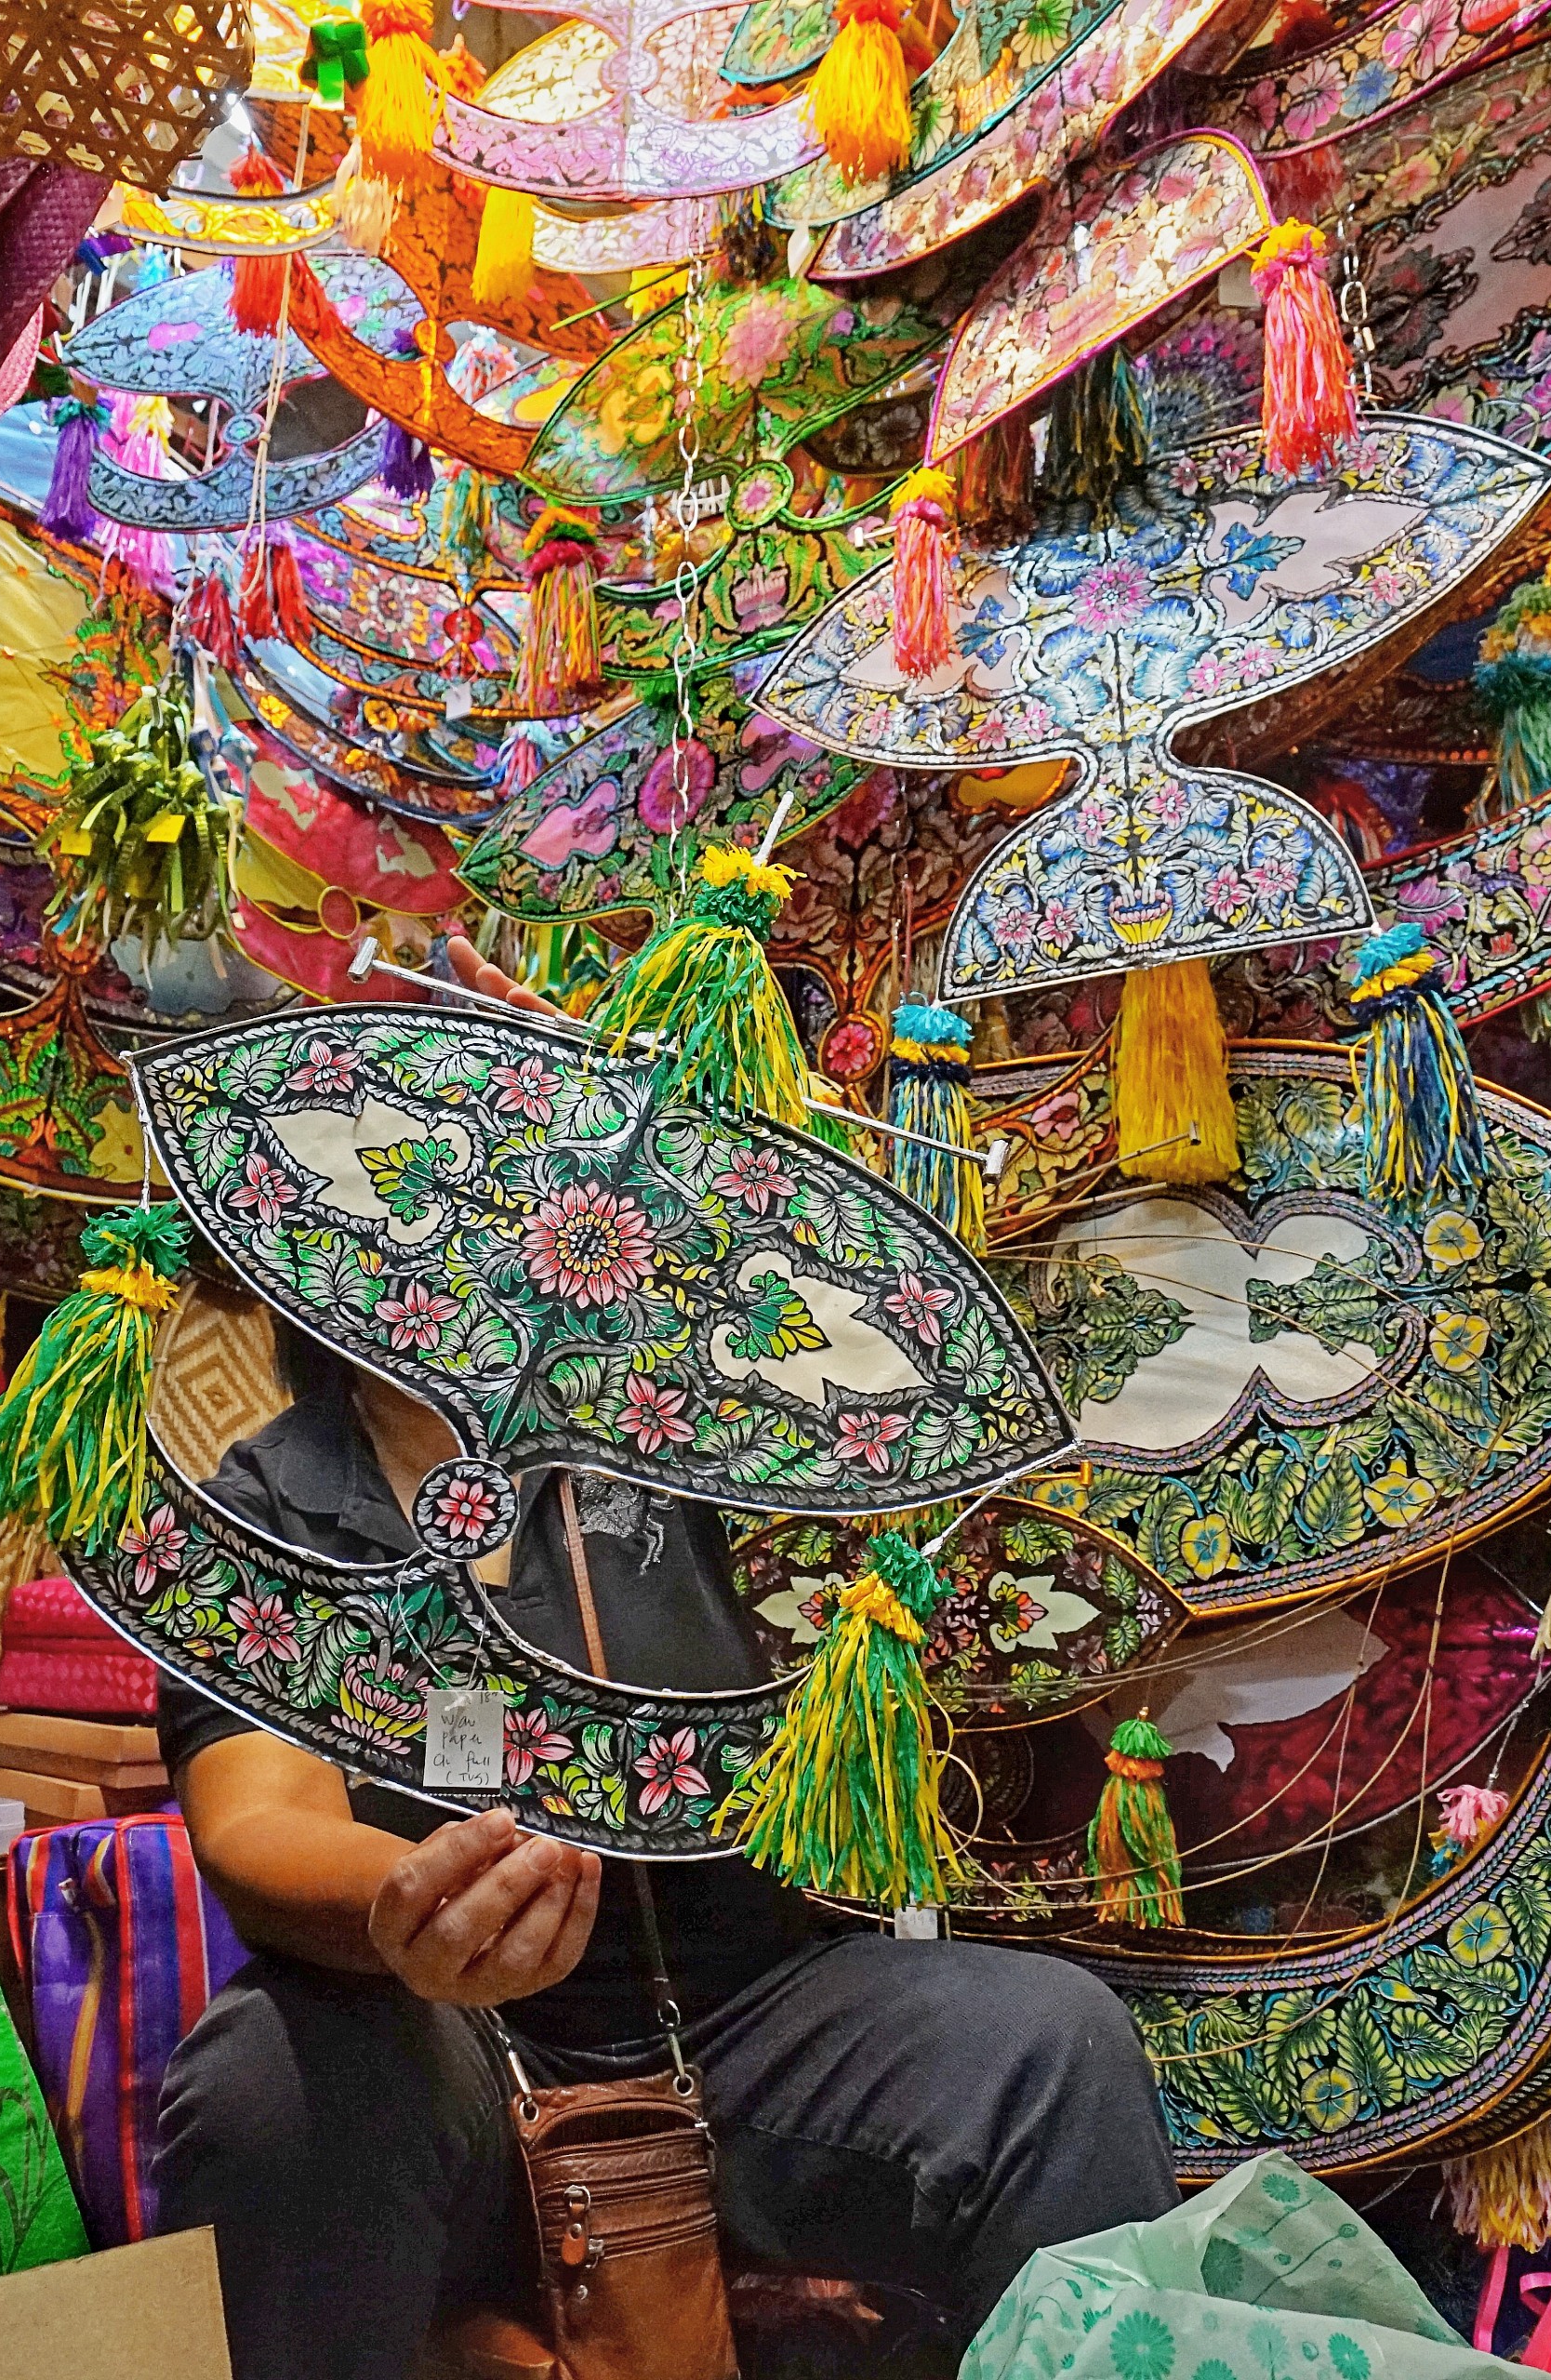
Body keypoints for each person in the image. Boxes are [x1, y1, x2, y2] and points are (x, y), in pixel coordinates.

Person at [152, 942, 1178, 2380]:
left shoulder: (669, 1424)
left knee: (1048, 2048)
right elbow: (255, 1820)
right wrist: (408, 1904)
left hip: (741, 2015)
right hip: (442, 2042)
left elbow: (831, 1350)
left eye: (473, 1172)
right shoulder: (263, 1510)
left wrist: (635, 1124)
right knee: (265, 2074)